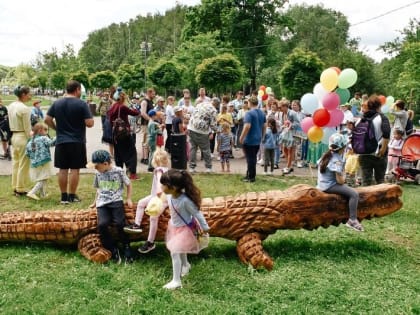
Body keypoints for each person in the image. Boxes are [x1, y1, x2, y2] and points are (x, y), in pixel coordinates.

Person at [45, 80, 94, 204]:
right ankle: (72, 196)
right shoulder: (82, 104)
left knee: (62, 169)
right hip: (77, 141)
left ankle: (63, 197)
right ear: (77, 89)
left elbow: (47, 119)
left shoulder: (57, 103)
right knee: (75, 169)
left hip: (61, 140)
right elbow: (89, 123)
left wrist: (57, 128)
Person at [160, 169, 210, 290]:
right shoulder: (169, 195)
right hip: (174, 227)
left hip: (185, 230)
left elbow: (197, 214)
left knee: (175, 251)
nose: (161, 186)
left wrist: (205, 227)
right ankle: (186, 265)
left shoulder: (185, 201)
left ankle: (176, 281)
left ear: (174, 187)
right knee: (180, 249)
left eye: (164, 184)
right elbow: (164, 202)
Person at [87, 150, 134, 264]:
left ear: (105, 164)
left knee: (120, 223)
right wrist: (94, 202)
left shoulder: (118, 171)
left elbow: (129, 184)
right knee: (102, 225)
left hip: (116, 200)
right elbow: (98, 189)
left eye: (97, 166)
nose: (96, 168)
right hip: (102, 202)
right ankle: (112, 248)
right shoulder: (98, 173)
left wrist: (128, 198)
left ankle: (126, 245)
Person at [124, 149, 169, 253]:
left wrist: (158, 195)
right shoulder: (167, 169)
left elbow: (159, 183)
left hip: (161, 199)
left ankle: (150, 242)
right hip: (155, 196)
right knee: (141, 203)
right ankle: (137, 224)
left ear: (154, 161)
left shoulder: (159, 170)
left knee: (153, 217)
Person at [317, 133, 363, 232]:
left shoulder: (327, 155)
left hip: (321, 184)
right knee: (354, 194)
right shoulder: (337, 160)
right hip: (329, 186)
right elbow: (339, 181)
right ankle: (352, 220)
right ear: (342, 148)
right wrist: (345, 178)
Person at [357, 95, 391, 186]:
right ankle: (380, 200)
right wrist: (383, 149)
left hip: (364, 154)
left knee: (366, 181)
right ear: (379, 106)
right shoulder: (382, 118)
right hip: (379, 153)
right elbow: (386, 133)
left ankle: (365, 199)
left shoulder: (362, 118)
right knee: (380, 181)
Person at [108, 88, 140, 180]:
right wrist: (134, 106)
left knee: (118, 154)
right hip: (125, 134)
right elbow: (136, 113)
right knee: (132, 152)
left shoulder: (112, 107)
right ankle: (132, 174)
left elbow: (110, 122)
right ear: (123, 98)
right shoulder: (122, 107)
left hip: (116, 135)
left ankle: (119, 174)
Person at [8, 86, 32, 196]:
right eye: (28, 94)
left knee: (16, 163)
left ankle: (15, 185)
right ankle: (20, 188)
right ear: (23, 94)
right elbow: (27, 129)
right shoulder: (24, 108)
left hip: (14, 136)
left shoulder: (11, 106)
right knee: (23, 164)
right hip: (22, 136)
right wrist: (32, 137)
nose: (30, 96)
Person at [25, 122, 56, 200]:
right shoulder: (43, 138)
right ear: (40, 130)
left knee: (41, 178)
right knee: (44, 178)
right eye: (45, 130)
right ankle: (32, 192)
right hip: (44, 161)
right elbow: (51, 143)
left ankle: (43, 194)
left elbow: (27, 153)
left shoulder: (30, 141)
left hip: (34, 163)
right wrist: (57, 137)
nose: (47, 132)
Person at [239, 96, 266, 183]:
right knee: (253, 157)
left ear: (249, 103)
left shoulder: (249, 113)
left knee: (250, 159)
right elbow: (264, 126)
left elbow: (247, 126)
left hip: (249, 139)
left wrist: (241, 137)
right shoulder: (262, 113)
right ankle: (249, 174)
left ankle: (251, 177)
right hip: (257, 138)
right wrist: (263, 136)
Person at [187, 101, 218, 173]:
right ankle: (208, 168)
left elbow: (193, 114)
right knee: (206, 149)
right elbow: (213, 125)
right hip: (202, 131)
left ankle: (191, 168)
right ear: (216, 105)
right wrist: (218, 130)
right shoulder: (213, 110)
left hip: (191, 127)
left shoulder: (200, 104)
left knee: (193, 148)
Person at [139, 88, 156, 164]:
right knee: (145, 141)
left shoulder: (151, 101)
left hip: (149, 123)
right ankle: (145, 158)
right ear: (149, 93)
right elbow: (143, 113)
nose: (154, 95)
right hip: (145, 124)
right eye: (153, 94)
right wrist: (150, 120)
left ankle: (146, 157)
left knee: (148, 141)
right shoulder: (144, 102)